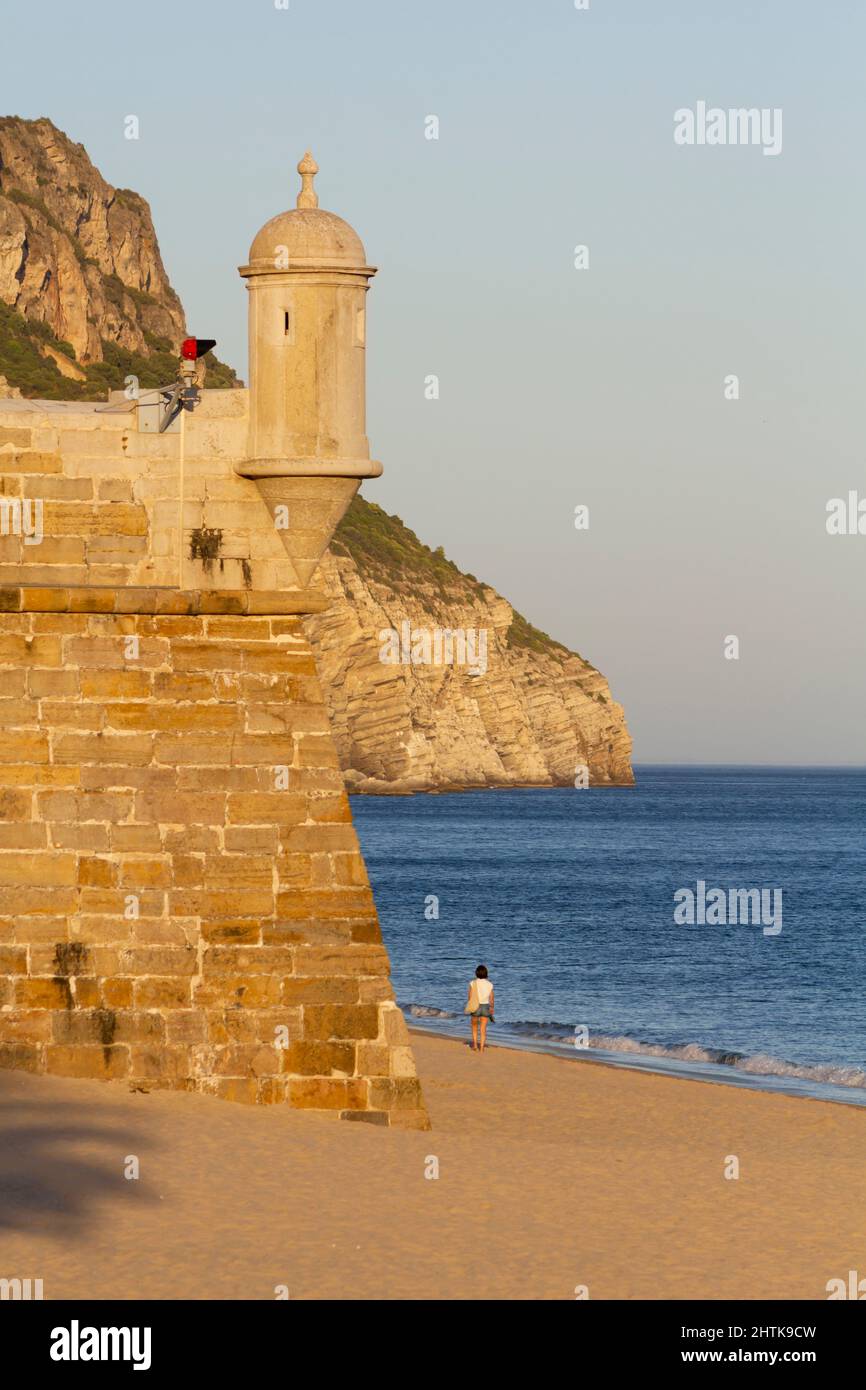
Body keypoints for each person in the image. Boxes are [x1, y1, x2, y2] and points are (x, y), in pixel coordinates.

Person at [467, 964, 494, 1053]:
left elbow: (470, 997)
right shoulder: (490, 984)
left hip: (476, 1006)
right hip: (485, 1007)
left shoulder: (472, 983)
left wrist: (470, 1006)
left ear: (476, 973)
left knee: (474, 1027)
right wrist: (492, 1008)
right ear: (486, 973)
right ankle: (482, 1048)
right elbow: (491, 998)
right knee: (483, 1029)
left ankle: (475, 1045)